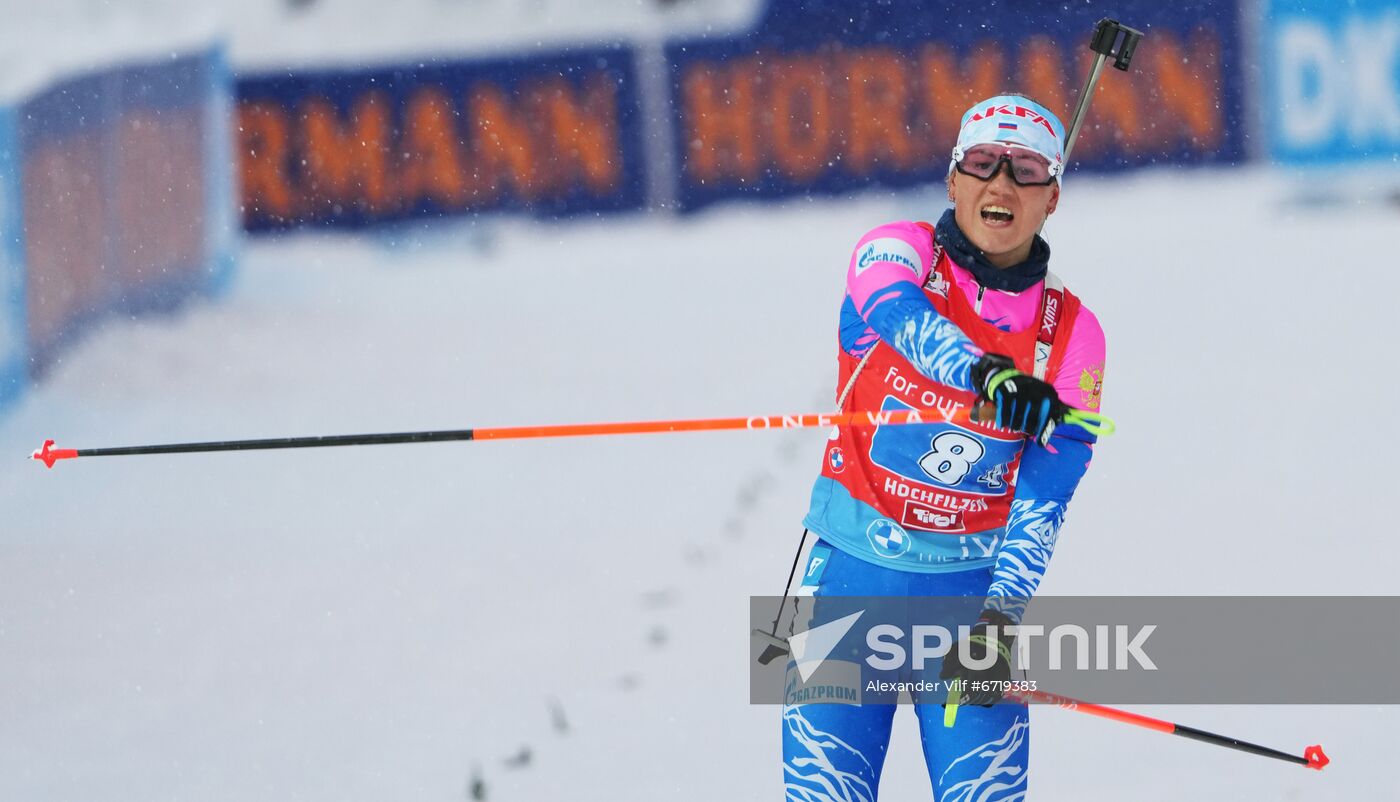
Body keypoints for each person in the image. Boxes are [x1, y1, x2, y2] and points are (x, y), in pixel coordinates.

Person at [781, 94, 1107, 801]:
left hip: (968, 600)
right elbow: (901, 318)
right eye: (984, 163)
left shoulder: (1074, 337)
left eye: (1026, 171)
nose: (1001, 185)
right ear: (953, 179)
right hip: (843, 585)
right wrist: (983, 373)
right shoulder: (893, 249)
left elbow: (1046, 497)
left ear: (1053, 197)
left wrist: (998, 623)